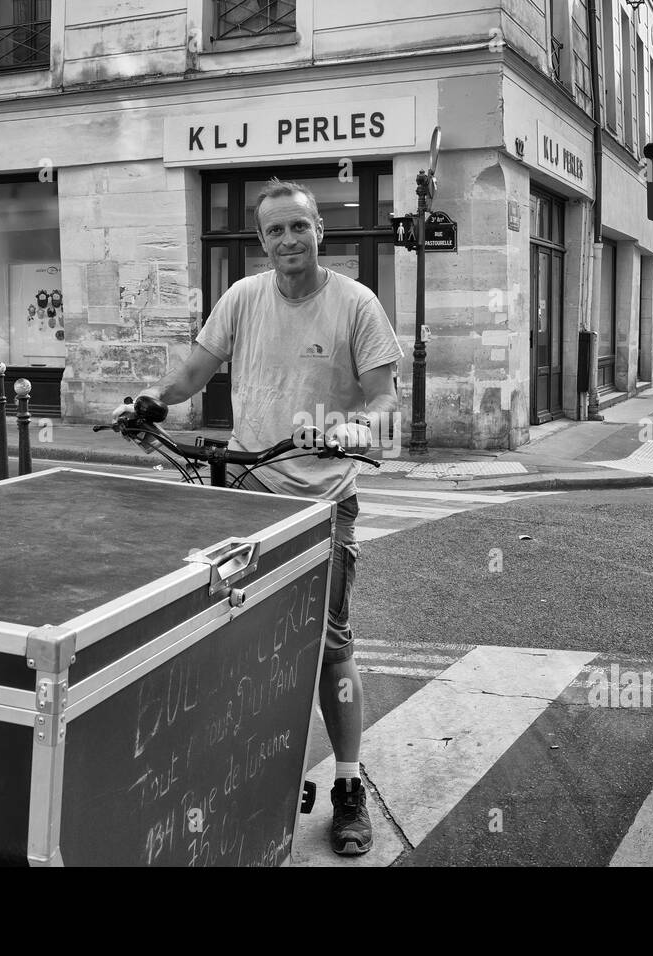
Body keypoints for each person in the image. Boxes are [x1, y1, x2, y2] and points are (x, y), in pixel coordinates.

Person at [131, 178, 402, 856]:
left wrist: (349, 430)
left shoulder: (356, 305)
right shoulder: (243, 299)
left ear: (320, 233)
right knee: (233, 641)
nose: (288, 240)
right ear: (262, 241)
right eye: (275, 231)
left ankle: (346, 784)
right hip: (246, 500)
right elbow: (193, 372)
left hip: (322, 506)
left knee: (329, 648)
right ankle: (243, 775)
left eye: (299, 227)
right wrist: (150, 401)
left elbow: (386, 403)